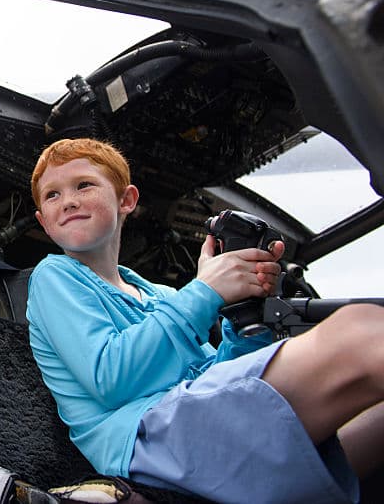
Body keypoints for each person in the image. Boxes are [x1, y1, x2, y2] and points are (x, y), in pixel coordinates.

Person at [25, 138, 384, 504]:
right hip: (141, 439)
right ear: (44, 222)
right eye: (51, 195)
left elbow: (212, 376)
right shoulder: (55, 276)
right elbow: (110, 379)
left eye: (83, 185)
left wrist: (242, 312)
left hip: (189, 419)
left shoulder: (160, 295)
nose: (67, 200)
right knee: (358, 331)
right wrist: (205, 290)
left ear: (126, 200)